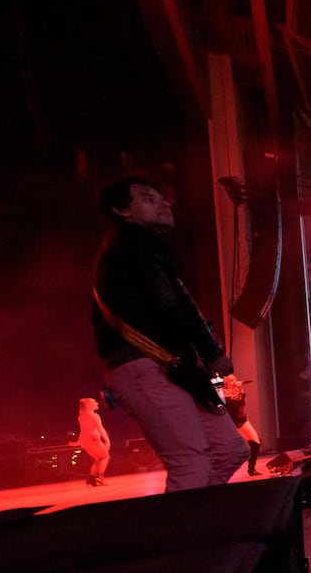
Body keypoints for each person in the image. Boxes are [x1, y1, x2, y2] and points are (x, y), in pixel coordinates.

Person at [92, 177, 247, 492]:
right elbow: (172, 301)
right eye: (149, 198)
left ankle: (201, 524)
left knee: (230, 450)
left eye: (163, 196)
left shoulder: (136, 247)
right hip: (144, 367)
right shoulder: (136, 244)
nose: (164, 203)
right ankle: (191, 535)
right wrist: (212, 352)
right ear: (121, 210)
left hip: (172, 367)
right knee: (191, 465)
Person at [220, 374, 262, 476]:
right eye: (231, 381)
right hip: (230, 424)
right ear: (226, 383)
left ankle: (251, 469)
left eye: (235, 380)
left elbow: (241, 406)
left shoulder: (240, 392)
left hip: (242, 420)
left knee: (256, 442)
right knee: (230, 448)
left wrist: (240, 392)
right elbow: (230, 406)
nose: (235, 382)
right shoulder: (222, 394)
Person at [76, 396, 111, 486]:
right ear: (88, 406)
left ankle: (91, 478)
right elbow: (100, 428)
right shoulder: (94, 415)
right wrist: (107, 440)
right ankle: (99, 478)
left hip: (86, 442)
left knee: (98, 459)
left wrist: (79, 442)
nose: (97, 403)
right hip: (94, 439)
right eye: (94, 402)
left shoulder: (81, 416)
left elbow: (83, 430)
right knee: (105, 457)